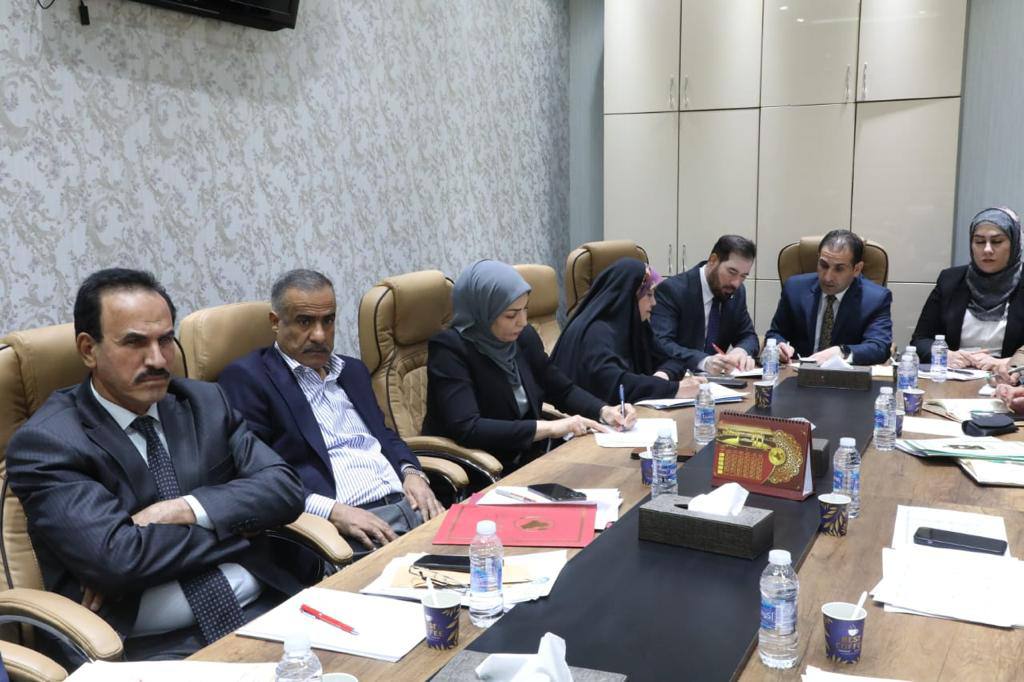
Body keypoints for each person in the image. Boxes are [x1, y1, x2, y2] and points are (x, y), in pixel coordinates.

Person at [6, 269, 311, 661]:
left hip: (263, 608)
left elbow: (285, 489)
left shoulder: (205, 402)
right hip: (142, 648)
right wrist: (241, 524)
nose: (157, 359)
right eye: (135, 342)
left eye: (165, 340)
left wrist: (185, 509)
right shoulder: (49, 442)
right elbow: (118, 561)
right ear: (88, 349)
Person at [218, 269, 442, 556]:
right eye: (305, 321)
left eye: (328, 320)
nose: (319, 335)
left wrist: (412, 473)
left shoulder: (352, 371)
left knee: (484, 554)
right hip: (343, 530)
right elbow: (256, 478)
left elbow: (385, 436)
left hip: (411, 506)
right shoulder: (249, 379)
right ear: (275, 322)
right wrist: (334, 512)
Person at [423, 260, 637, 470]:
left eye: (525, 309)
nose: (523, 321)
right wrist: (549, 427)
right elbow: (468, 428)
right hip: (479, 469)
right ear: (483, 312)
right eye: (511, 315)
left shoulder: (523, 337)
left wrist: (604, 411)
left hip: (529, 459)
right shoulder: (449, 349)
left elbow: (561, 389)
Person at [550, 258, 705, 404]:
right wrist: (672, 389)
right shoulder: (595, 333)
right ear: (628, 294)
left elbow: (673, 360)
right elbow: (617, 385)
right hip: (589, 419)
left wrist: (662, 376)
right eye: (649, 295)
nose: (654, 303)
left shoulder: (635, 325)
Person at [911, 207, 1024, 374]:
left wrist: (1009, 363)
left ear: (1014, 244)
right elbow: (920, 341)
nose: (987, 249)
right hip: (953, 376)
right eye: (979, 242)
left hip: (1007, 381)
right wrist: (945, 355)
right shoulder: (950, 280)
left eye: (996, 241)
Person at [765, 230, 893, 366]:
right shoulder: (795, 288)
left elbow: (879, 347)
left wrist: (842, 352)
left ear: (857, 269)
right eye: (823, 265)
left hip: (846, 376)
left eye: (839, 269)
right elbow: (776, 333)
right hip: (799, 372)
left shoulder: (876, 298)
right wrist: (779, 346)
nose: (827, 277)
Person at [651, 235, 759, 374]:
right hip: (678, 378)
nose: (736, 283)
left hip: (718, 382)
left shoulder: (737, 292)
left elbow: (749, 336)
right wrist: (704, 361)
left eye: (743, 276)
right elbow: (661, 343)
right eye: (732, 272)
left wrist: (741, 351)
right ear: (713, 260)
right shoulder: (673, 290)